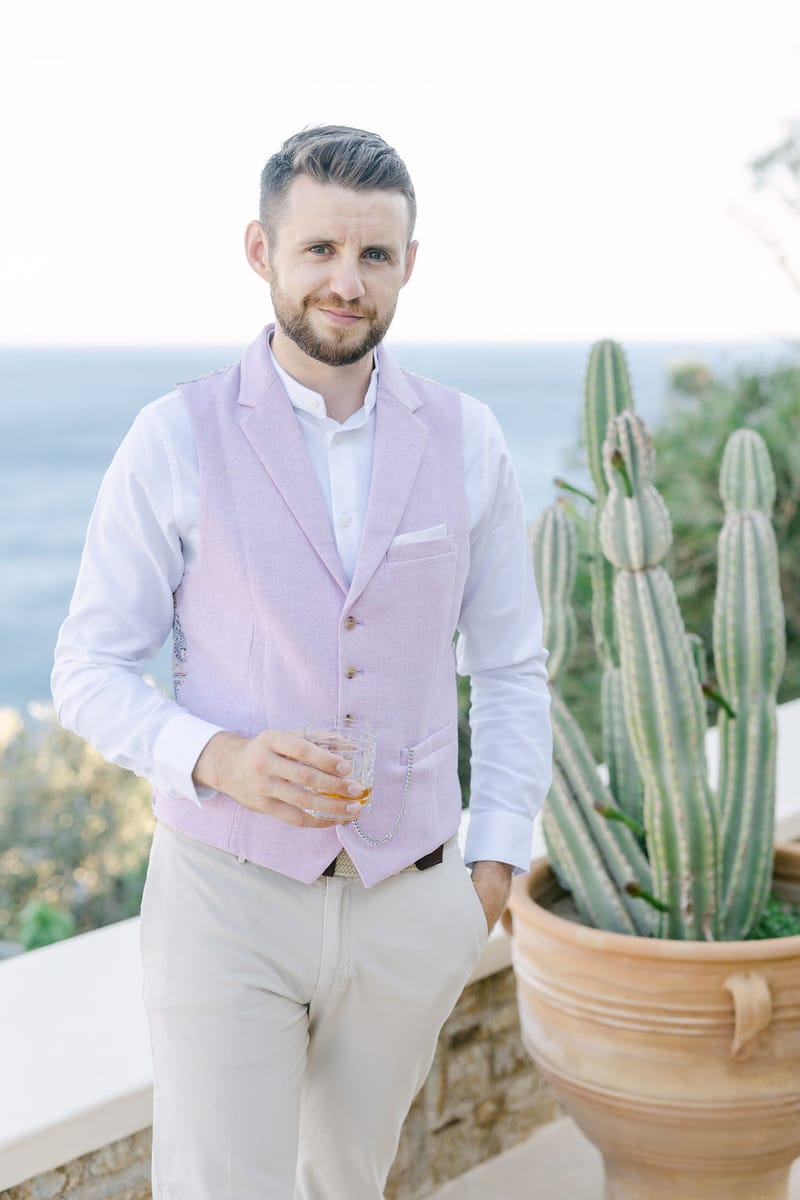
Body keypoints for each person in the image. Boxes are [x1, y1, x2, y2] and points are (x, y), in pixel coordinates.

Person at [52, 124, 552, 1200]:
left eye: (373, 255)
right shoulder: (173, 437)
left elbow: (510, 666)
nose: (345, 281)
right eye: (318, 249)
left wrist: (493, 867)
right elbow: (88, 666)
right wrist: (213, 757)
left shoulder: (467, 440)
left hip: (409, 896)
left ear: (408, 264)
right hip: (226, 897)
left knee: (346, 1185)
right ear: (260, 250)